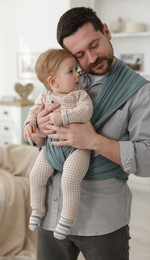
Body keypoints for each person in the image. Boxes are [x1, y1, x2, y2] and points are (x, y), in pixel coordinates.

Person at [32, 7, 150, 260]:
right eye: (79, 54)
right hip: (51, 211)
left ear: (106, 31)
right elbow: (39, 142)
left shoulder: (142, 94)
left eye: (94, 45)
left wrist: (93, 141)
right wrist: (39, 131)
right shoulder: (61, 83)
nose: (91, 58)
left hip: (102, 221)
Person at [24, 48, 93, 240]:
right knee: (35, 176)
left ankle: (66, 219)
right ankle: (37, 209)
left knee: (69, 181)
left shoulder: (80, 95)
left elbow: (86, 112)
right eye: (71, 71)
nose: (77, 74)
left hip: (76, 150)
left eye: (76, 70)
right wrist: (30, 123)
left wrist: (63, 116)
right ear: (53, 82)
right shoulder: (45, 96)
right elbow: (34, 111)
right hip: (51, 148)